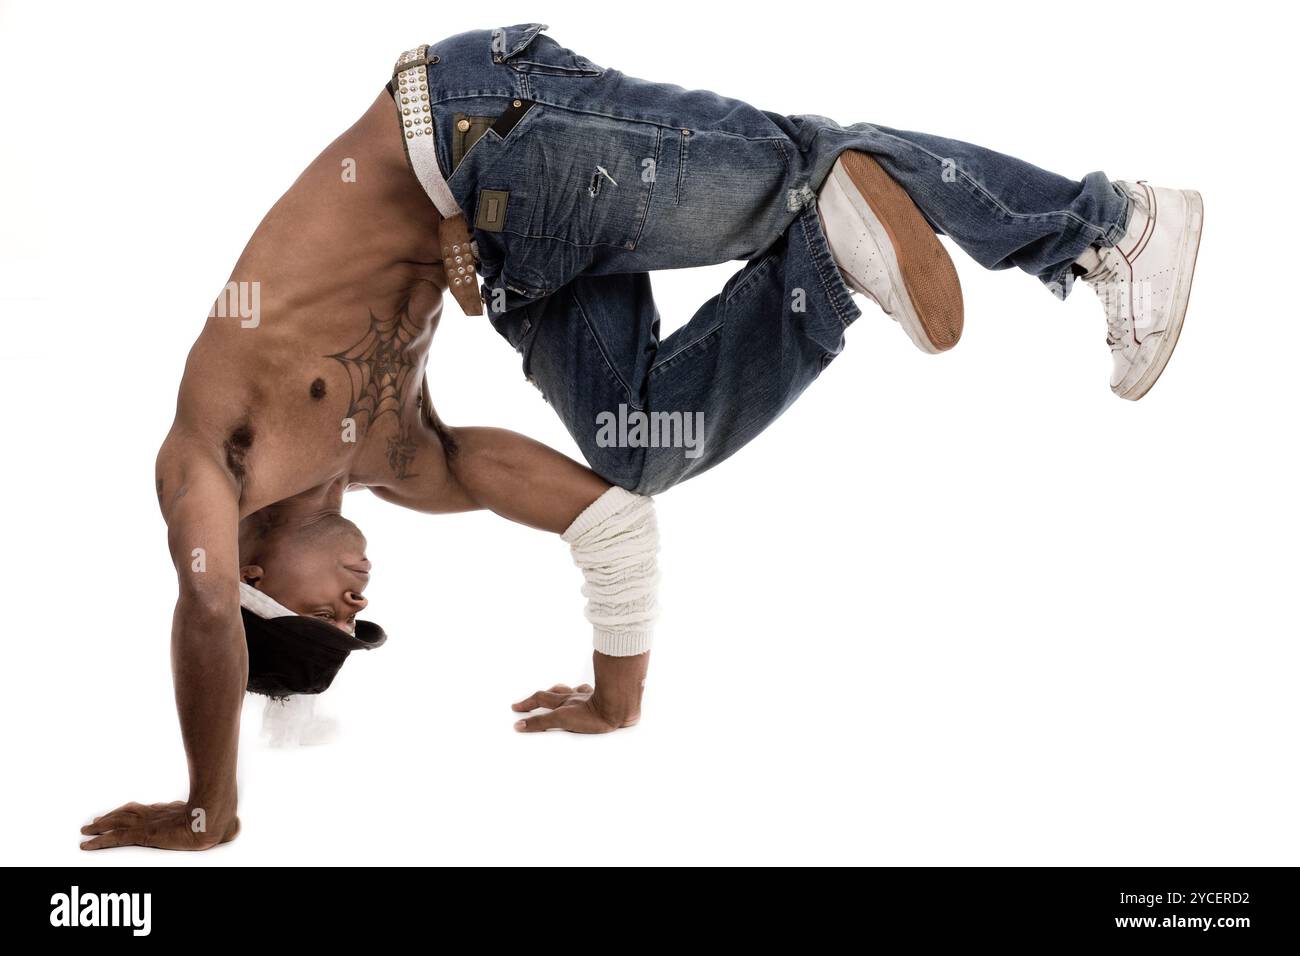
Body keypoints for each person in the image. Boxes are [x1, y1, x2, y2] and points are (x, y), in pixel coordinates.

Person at [79, 24, 1201, 850]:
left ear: (255, 563)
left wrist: (207, 805)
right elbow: (609, 520)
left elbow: (206, 610)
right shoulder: (399, 461)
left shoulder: (209, 449)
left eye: (325, 605)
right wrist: (615, 697)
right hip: (515, 234)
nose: (358, 589)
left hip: (476, 125)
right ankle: (833, 255)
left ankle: (1110, 225)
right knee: (639, 441)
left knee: (801, 162)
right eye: (356, 614)